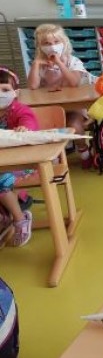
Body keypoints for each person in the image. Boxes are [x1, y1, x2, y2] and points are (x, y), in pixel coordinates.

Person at [27, 23, 92, 164]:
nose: (52, 46)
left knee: (74, 125)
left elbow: (74, 82)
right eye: (47, 43)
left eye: (56, 42)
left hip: (73, 107)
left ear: (64, 42)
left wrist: (59, 63)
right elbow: (32, 86)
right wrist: (36, 64)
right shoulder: (41, 66)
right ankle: (55, 157)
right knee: (47, 129)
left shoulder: (73, 61)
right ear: (40, 46)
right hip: (50, 108)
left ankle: (83, 150)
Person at [0, 67, 38, 247]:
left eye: (5, 89)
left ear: (16, 92)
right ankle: (4, 216)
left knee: (1, 179)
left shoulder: (19, 110)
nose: (0, 94)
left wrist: (25, 128)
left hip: (24, 164)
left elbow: (29, 121)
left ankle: (20, 219)